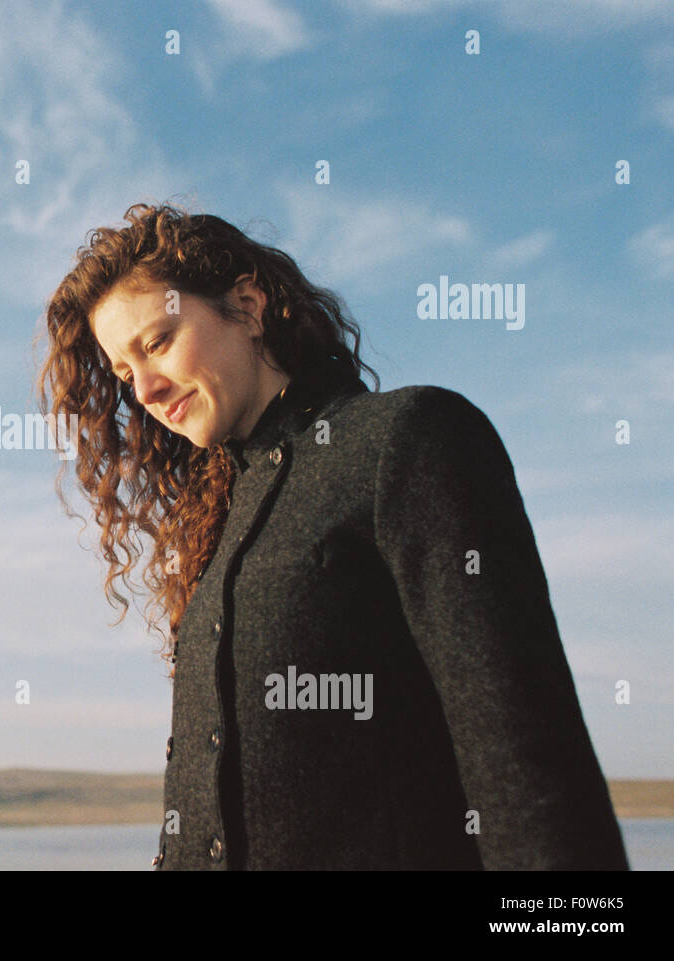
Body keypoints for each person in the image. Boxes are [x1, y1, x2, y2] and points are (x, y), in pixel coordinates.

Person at [34, 202, 629, 870]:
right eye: (123, 373)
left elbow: (522, 755)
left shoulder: (406, 441)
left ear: (249, 306)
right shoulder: (219, 525)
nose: (143, 388)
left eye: (159, 341)